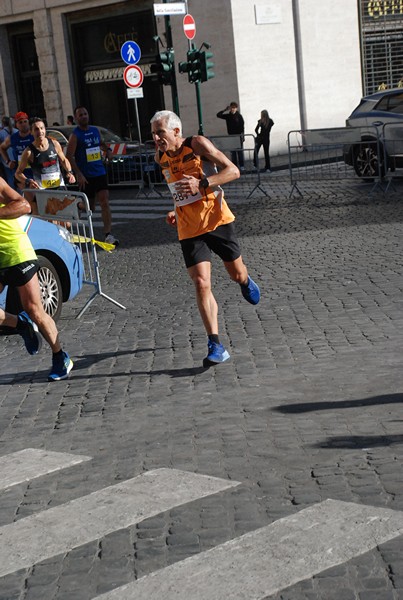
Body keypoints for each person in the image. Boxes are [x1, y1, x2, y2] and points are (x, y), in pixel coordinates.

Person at [150, 110, 260, 367]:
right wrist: (175, 208)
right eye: (153, 133)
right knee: (201, 282)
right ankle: (215, 344)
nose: (156, 138)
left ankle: (244, 280)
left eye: (160, 132)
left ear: (176, 131)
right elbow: (178, 189)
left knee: (236, 274)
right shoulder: (160, 157)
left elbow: (232, 171)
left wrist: (203, 184)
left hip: (216, 219)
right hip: (189, 227)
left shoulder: (197, 144)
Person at [0, 176, 73, 381]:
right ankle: (19, 324)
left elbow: (24, 206)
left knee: (34, 309)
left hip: (16, 252)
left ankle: (60, 356)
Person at [66, 106, 119, 246]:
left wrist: (107, 150)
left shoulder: (95, 131)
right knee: (91, 207)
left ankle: (108, 234)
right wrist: (78, 173)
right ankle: (77, 205)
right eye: (80, 115)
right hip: (86, 175)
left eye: (85, 114)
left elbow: (100, 144)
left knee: (105, 202)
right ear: (76, 118)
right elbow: (69, 156)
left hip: (99, 172)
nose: (83, 116)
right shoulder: (75, 135)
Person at [15, 117, 76, 191]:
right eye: (36, 129)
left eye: (42, 128)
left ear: (45, 130)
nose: (40, 131)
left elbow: (63, 160)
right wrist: (28, 181)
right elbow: (18, 173)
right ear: (31, 132)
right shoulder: (29, 152)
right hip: (43, 191)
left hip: (59, 187)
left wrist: (69, 172)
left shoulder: (54, 144)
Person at [0, 112, 34, 192]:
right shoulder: (13, 138)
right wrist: (8, 161)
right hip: (20, 174)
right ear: (16, 125)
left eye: (25, 121)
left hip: (35, 172)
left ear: (28, 122)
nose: (23, 124)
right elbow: (2, 148)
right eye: (20, 122)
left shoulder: (34, 136)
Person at [216, 102, 245, 169]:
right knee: (233, 153)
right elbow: (218, 115)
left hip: (238, 136)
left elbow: (242, 127)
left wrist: (242, 136)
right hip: (231, 136)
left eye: (234, 108)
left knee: (240, 152)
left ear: (236, 108)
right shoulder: (228, 116)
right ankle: (234, 166)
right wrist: (225, 109)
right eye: (231, 108)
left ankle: (242, 165)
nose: (232, 109)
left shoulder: (239, 116)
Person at [0, 116, 17, 186]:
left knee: (10, 178)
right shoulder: (17, 131)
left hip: (6, 161)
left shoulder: (1, 133)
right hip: (16, 159)